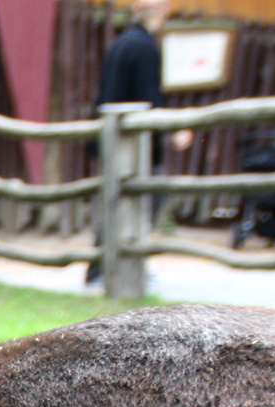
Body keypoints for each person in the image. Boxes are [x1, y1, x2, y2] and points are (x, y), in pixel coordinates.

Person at [86, 0, 194, 283]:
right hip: (136, 142)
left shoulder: (120, 43)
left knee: (115, 199)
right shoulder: (146, 47)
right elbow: (149, 96)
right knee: (148, 197)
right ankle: (124, 262)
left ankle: (100, 266)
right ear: (160, 13)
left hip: (113, 136)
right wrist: (173, 129)